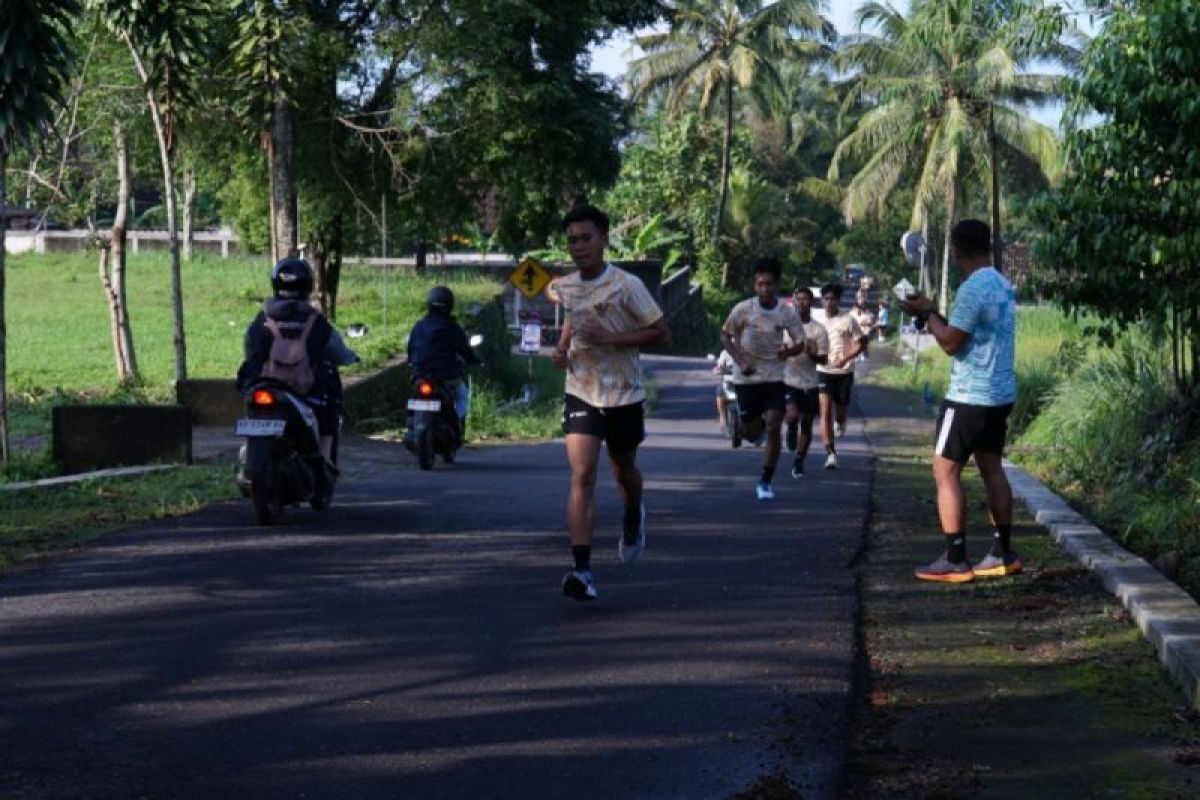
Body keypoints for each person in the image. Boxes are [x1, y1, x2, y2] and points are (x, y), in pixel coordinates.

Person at [551, 204, 671, 602]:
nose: (578, 247)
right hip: (581, 389)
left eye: (586, 238)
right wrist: (562, 347)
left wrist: (607, 339)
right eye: (572, 240)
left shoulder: (627, 285)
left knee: (623, 472)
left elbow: (660, 333)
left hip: (624, 393)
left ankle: (633, 513)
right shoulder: (567, 286)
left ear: (603, 239)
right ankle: (582, 571)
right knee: (581, 475)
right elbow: (572, 319)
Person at [901, 219, 1019, 583]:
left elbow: (952, 342)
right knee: (992, 470)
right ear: (987, 246)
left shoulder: (971, 289)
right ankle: (1002, 552)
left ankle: (955, 558)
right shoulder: (1001, 283)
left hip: (968, 396)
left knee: (945, 470)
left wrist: (926, 313)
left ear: (956, 251)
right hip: (999, 395)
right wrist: (932, 313)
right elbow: (971, 331)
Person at [237, 257, 359, 464]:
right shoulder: (316, 322)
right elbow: (337, 352)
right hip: (305, 389)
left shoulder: (261, 320)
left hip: (265, 385)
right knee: (331, 399)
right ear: (307, 286)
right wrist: (350, 357)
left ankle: (246, 455)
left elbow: (250, 351)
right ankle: (325, 457)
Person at [721, 258, 808, 500]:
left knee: (773, 425)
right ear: (754, 285)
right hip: (746, 379)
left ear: (777, 285)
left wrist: (787, 352)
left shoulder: (786, 313)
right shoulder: (743, 309)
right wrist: (740, 359)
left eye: (769, 284)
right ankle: (744, 423)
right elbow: (725, 335)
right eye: (760, 284)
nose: (765, 289)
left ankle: (766, 480)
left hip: (774, 377)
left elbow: (801, 342)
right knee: (751, 432)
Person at [407, 285, 482, 433]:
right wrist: (475, 361)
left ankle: (410, 424)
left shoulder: (419, 327)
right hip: (446, 376)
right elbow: (465, 350)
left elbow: (410, 349)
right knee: (462, 395)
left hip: (420, 375)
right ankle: (457, 422)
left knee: (411, 397)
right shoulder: (454, 328)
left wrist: (413, 364)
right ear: (450, 305)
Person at [816, 283, 868, 469]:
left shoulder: (848, 320)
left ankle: (841, 421)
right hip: (823, 371)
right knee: (824, 411)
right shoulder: (817, 320)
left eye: (832, 299)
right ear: (822, 301)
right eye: (826, 299)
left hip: (844, 372)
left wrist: (845, 359)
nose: (829, 303)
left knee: (840, 408)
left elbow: (861, 344)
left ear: (838, 301)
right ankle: (830, 453)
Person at [783, 287, 830, 478]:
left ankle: (799, 460)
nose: (801, 303)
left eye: (805, 299)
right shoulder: (786, 328)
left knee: (808, 424)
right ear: (794, 302)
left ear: (811, 302)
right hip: (789, 380)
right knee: (792, 415)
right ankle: (791, 428)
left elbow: (824, 359)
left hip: (810, 382)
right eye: (798, 299)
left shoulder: (818, 330)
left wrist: (811, 354)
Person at [712, 349, 735, 431]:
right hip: (729, 381)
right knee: (720, 392)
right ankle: (722, 416)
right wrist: (717, 370)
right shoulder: (725, 353)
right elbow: (719, 366)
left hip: (744, 381)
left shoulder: (748, 350)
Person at [850, 289, 876, 361]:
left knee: (863, 344)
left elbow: (871, 322)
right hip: (857, 331)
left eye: (862, 296)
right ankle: (858, 355)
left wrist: (864, 323)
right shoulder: (853, 312)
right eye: (859, 297)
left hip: (865, 332)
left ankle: (864, 355)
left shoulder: (868, 312)